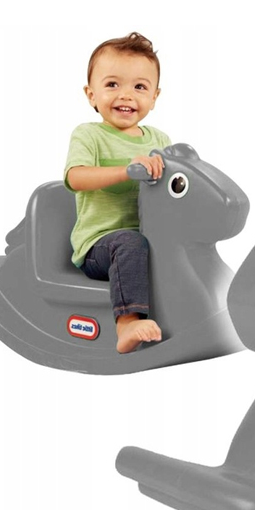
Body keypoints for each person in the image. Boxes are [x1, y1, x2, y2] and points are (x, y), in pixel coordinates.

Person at [64, 33, 170, 354]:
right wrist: (126, 171)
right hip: (100, 245)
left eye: (139, 87)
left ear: (155, 96)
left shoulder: (160, 140)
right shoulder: (89, 135)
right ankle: (126, 323)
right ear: (91, 94)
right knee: (130, 243)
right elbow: (75, 177)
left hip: (151, 239)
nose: (126, 95)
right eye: (112, 84)